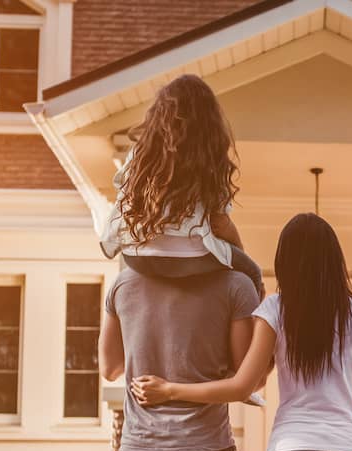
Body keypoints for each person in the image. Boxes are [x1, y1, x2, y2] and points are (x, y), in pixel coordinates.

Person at [131, 213, 352, 451]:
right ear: (335, 259)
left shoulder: (277, 309)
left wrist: (170, 390)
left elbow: (244, 386)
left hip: (292, 450)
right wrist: (349, 441)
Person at [98, 74, 264, 451]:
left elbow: (110, 368)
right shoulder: (235, 287)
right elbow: (251, 373)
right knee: (253, 274)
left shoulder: (122, 287)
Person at [99, 73, 264, 298]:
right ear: (209, 121)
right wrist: (238, 253)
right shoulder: (207, 156)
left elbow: (123, 201)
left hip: (140, 258)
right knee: (253, 274)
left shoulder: (141, 155)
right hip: (191, 259)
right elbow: (219, 223)